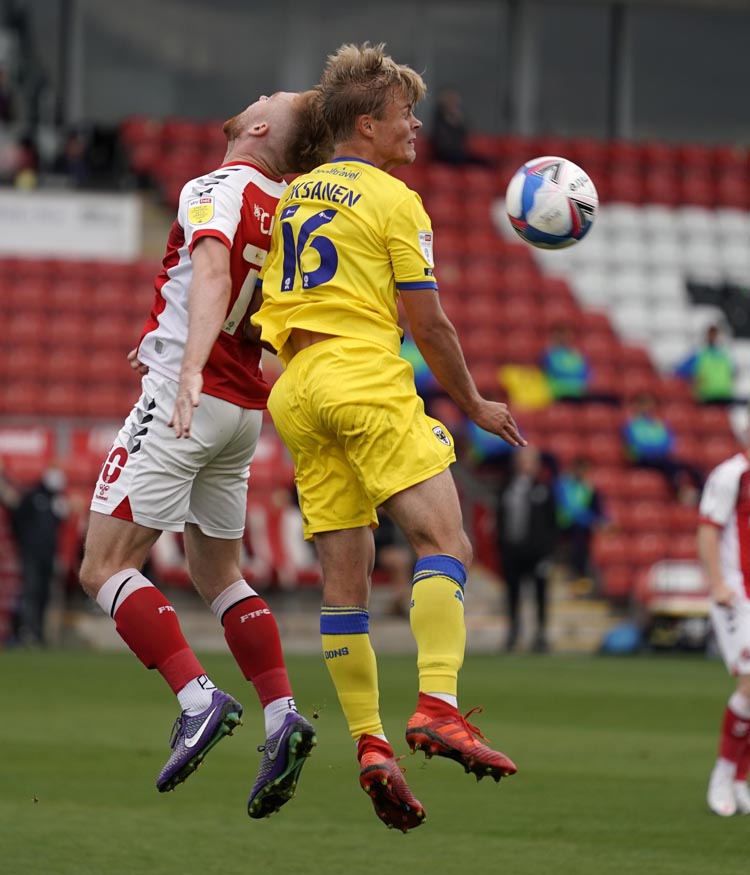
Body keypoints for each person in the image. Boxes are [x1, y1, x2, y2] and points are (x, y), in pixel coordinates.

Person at [252, 42, 524, 832]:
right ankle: (438, 702)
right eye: (405, 113)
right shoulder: (395, 199)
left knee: (346, 584)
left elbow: (265, 326)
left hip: (297, 388)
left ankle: (370, 743)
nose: (416, 126)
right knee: (446, 540)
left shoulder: (295, 196)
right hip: (362, 374)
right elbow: (429, 324)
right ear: (367, 124)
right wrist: (473, 402)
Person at [78, 90, 332, 819]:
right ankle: (282, 713)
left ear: (259, 126)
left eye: (270, 98)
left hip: (186, 401)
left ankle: (197, 698)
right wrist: (168, 337)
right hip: (243, 411)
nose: (261, 95)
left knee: (104, 565)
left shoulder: (216, 186)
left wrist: (185, 367)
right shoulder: (292, 209)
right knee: (219, 573)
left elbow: (215, 275)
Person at [697, 426, 750, 816]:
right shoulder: (731, 474)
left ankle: (739, 781)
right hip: (736, 594)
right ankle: (723, 774)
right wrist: (717, 582)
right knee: (749, 686)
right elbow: (708, 529)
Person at [495, 446, 558, 652]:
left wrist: (548, 554)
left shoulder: (544, 489)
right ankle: (513, 632)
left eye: (529, 461)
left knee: (540, 594)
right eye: (522, 460)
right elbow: (500, 520)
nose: (525, 465)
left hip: (537, 554)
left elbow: (552, 524)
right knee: (512, 594)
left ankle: (540, 634)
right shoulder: (506, 488)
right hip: (513, 552)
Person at [6, 463, 69, 647]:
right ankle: (27, 631)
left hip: (48, 555)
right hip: (31, 554)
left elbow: (57, 529)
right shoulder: (33, 496)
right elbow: (17, 520)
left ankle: (38, 633)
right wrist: (24, 542)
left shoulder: (57, 500)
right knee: (31, 591)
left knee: (43, 594)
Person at [621, 392, 703, 502]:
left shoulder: (658, 424)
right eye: (644, 404)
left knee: (691, 467)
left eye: (649, 404)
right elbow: (636, 445)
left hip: (661, 457)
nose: (647, 407)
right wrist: (654, 448)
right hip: (642, 459)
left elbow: (668, 443)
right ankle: (680, 493)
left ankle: (702, 492)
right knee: (669, 467)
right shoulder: (632, 425)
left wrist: (656, 448)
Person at [554, 455, 609, 593]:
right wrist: (590, 520)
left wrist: (604, 521)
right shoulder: (563, 485)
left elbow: (598, 508)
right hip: (564, 525)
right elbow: (569, 508)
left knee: (583, 541)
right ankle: (575, 573)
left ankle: (581, 576)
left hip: (582, 527)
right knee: (578, 538)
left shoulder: (589, 487)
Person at [676, 324, 736, 405]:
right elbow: (681, 371)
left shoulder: (725, 355)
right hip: (705, 397)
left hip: (723, 396)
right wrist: (693, 379)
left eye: (715, 335)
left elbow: (732, 374)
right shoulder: (700, 354)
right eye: (711, 335)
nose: (713, 338)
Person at [430, 86, 491, 166]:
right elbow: (441, 141)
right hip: (443, 154)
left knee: (482, 161)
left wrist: (458, 121)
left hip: (457, 152)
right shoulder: (438, 117)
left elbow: (465, 134)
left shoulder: (458, 117)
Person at [540, 323, 591, 402]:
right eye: (560, 335)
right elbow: (555, 372)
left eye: (565, 335)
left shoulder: (577, 354)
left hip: (579, 392)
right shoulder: (549, 355)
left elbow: (586, 373)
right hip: (559, 393)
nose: (563, 338)